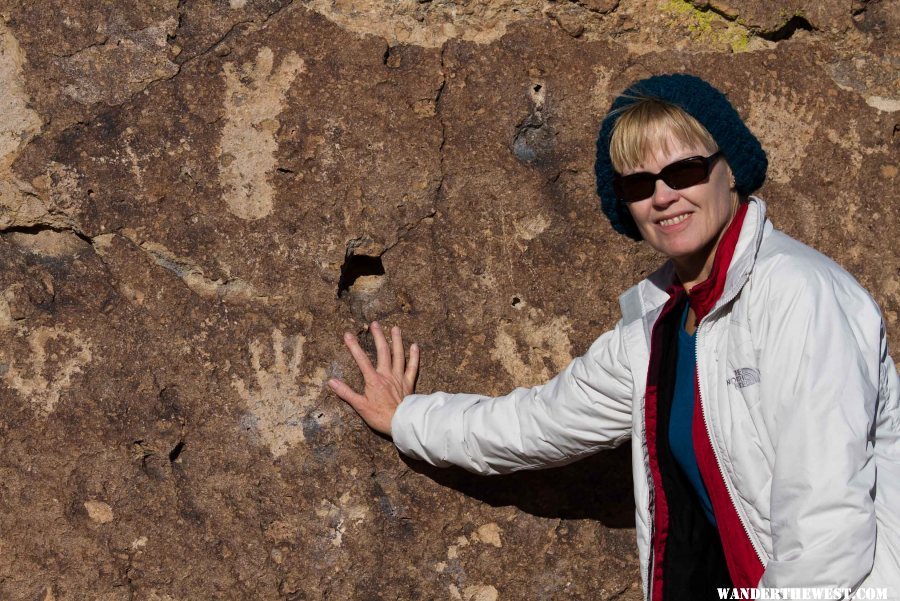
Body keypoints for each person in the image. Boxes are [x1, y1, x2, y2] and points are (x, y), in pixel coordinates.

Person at [327, 74, 900, 600]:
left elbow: (825, 526)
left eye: (684, 171)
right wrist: (406, 418)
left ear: (731, 170)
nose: (663, 195)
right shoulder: (660, 323)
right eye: (639, 183)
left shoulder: (798, 292)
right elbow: (537, 423)